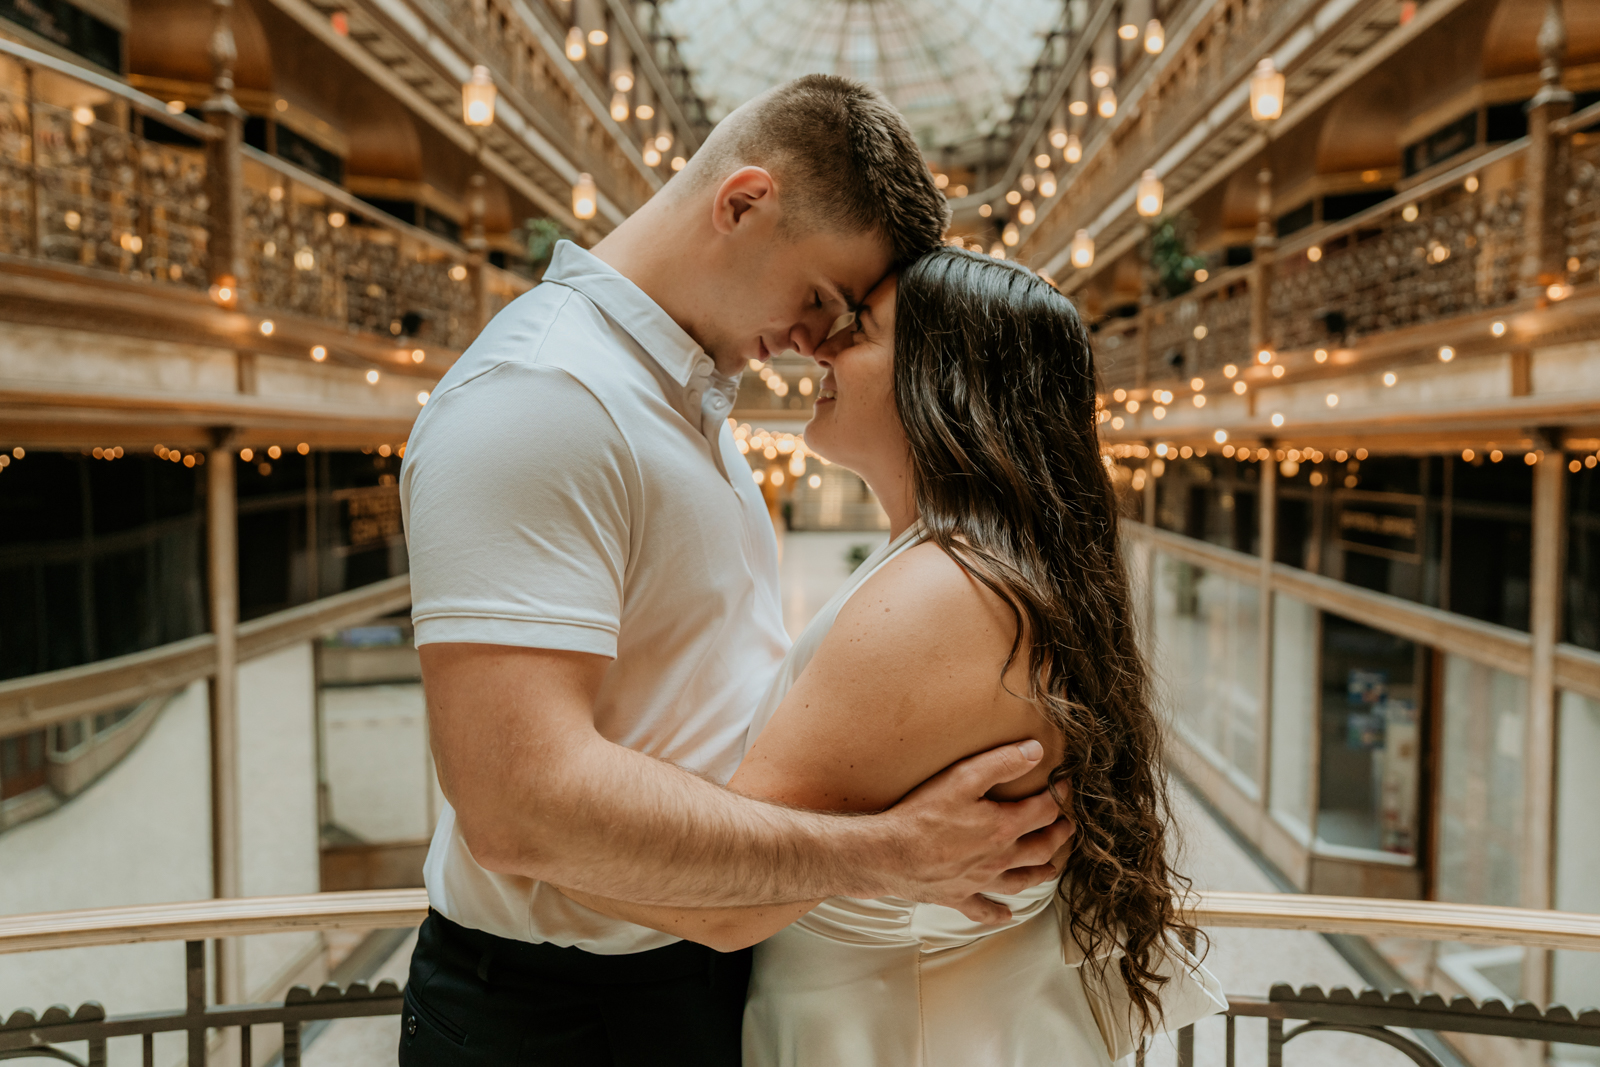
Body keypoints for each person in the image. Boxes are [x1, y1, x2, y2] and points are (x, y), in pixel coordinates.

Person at [396, 76, 1075, 1066]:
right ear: (742, 201)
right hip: (552, 1016)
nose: (816, 342)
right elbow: (514, 802)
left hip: (689, 971)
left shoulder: (681, 403)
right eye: (821, 298)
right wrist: (884, 855)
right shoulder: (543, 394)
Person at [560, 247, 1225, 1065]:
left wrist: (536, 835)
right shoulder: (975, 568)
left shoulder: (942, 596)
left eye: (859, 330)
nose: (821, 347)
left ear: (942, 379)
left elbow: (723, 900)